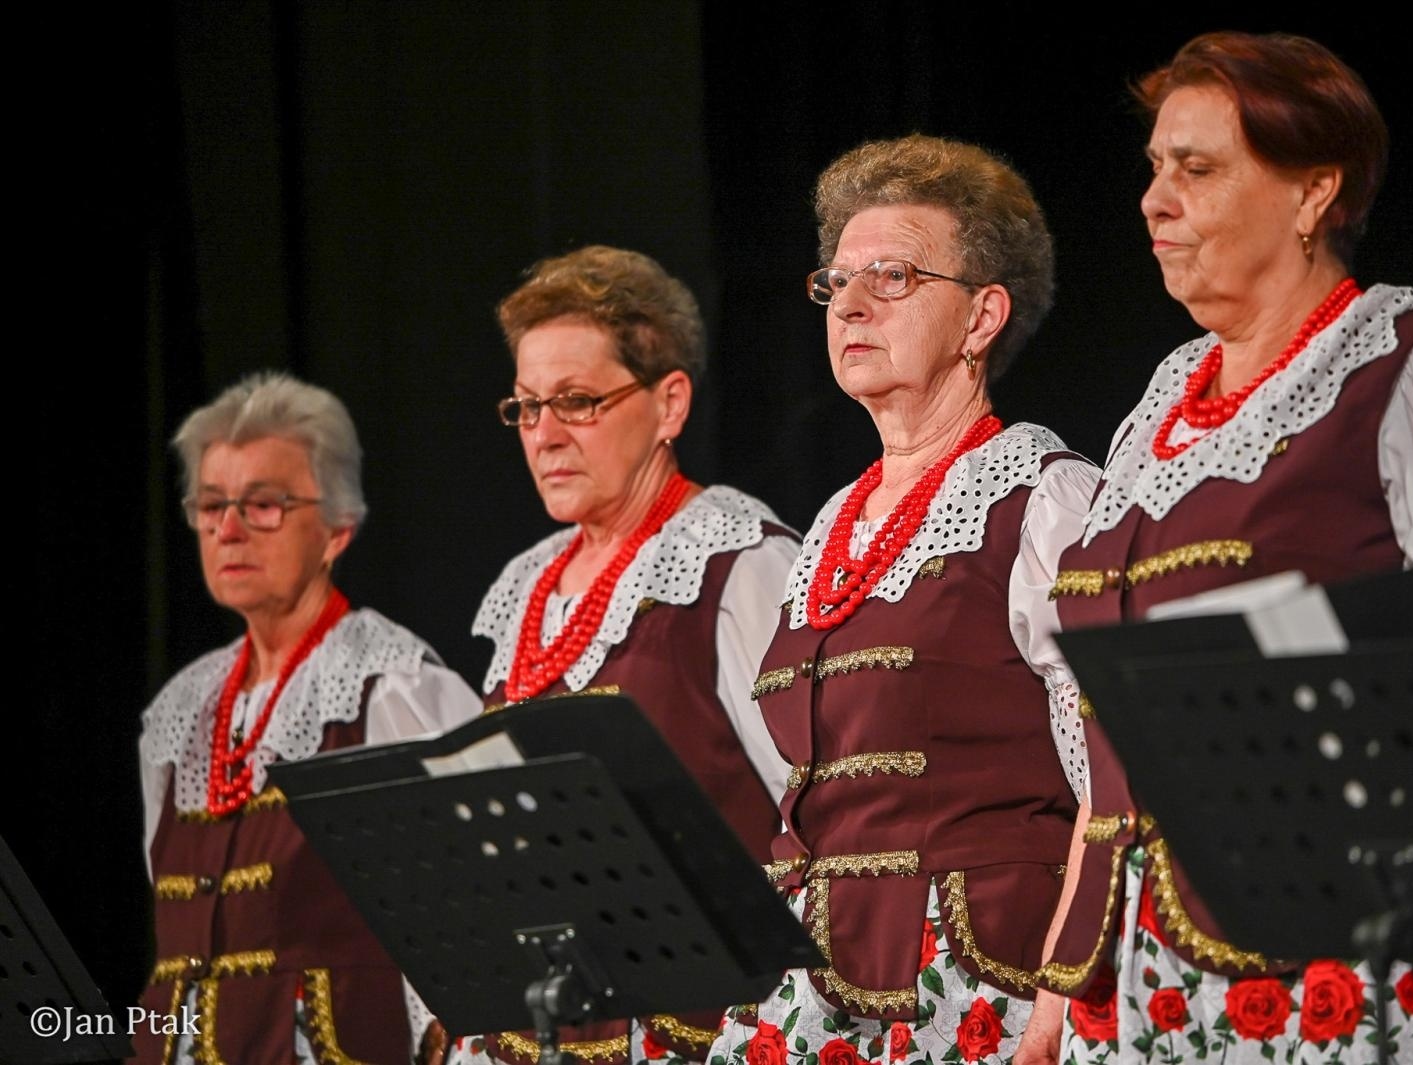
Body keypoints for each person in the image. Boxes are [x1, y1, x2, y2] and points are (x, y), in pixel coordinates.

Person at [1036, 32, 1413, 1065]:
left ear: (1312, 193)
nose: (1155, 201)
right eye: (1154, 169)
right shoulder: (1151, 416)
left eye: (1196, 170)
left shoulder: (1410, 371)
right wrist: (1060, 991)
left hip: (1371, 965)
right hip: (1141, 981)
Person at [706, 135, 1101, 1065]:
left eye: (891, 275)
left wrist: (1065, 990)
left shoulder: (1043, 497)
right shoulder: (838, 519)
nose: (848, 302)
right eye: (836, 281)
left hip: (976, 978)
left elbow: (1108, 775)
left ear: (981, 317)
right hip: (818, 983)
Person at [437, 246, 798, 1065]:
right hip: (535, 1028)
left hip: (691, 1031)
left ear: (669, 403)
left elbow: (810, 812)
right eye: (526, 407)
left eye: (577, 401)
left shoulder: (735, 560)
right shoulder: (524, 588)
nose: (545, 435)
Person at [134, 372, 481, 1064]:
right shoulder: (181, 709)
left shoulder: (393, 690)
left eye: (263, 504)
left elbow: (476, 928)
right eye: (210, 505)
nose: (228, 528)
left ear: (337, 528)